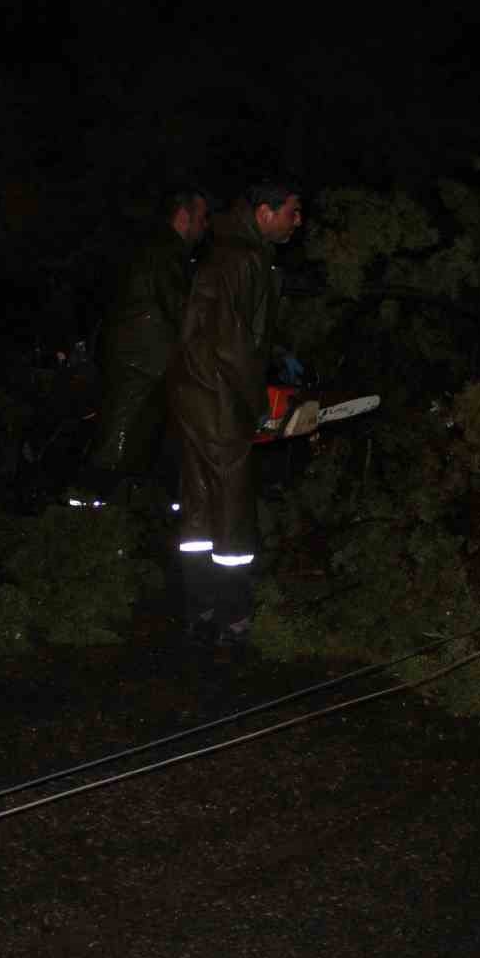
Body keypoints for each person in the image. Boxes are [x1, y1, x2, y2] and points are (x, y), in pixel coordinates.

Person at [166, 178, 304, 650]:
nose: (297, 222)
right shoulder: (246, 259)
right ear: (265, 213)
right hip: (220, 399)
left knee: (199, 507)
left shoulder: (220, 253)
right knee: (232, 508)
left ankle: (199, 610)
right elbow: (234, 343)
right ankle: (234, 617)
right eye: (292, 211)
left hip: (192, 394)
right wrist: (259, 406)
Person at [87, 186, 211, 501]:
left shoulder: (157, 247)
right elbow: (179, 306)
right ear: (183, 216)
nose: (205, 226)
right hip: (142, 359)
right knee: (121, 433)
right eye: (201, 217)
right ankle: (94, 502)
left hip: (142, 356)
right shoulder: (165, 251)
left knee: (134, 434)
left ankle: (116, 501)